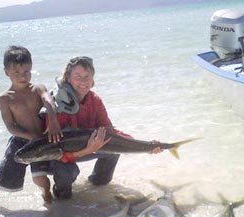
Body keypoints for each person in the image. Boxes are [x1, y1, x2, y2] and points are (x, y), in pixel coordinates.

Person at [48, 56, 162, 199]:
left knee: (113, 149)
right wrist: (85, 150)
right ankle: (61, 198)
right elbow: (52, 144)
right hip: (59, 155)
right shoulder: (58, 104)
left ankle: (97, 183)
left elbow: (110, 134)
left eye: (87, 77)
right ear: (67, 78)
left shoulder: (95, 100)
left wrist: (147, 146)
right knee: (67, 173)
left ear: (93, 79)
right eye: (77, 76)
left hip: (89, 147)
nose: (83, 82)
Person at [0, 45, 62, 205]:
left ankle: (47, 195)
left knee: (40, 178)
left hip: (41, 139)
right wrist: (29, 136)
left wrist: (53, 120)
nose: (22, 76)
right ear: (6, 72)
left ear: (31, 68)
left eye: (26, 71)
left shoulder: (38, 88)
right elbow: (10, 126)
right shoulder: (5, 98)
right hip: (20, 140)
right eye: (16, 72)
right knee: (2, 179)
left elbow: (49, 100)